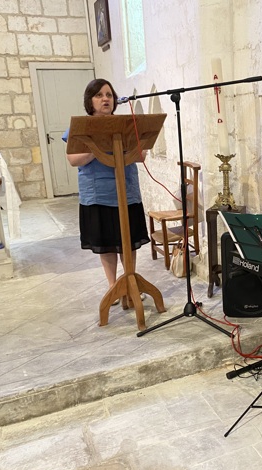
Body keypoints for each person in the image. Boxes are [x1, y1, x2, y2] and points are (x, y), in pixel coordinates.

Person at [62, 79, 149, 304]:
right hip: (98, 194)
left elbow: (140, 156)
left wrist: (130, 145)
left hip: (125, 191)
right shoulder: (80, 127)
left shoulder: (125, 124)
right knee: (108, 241)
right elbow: (73, 160)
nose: (105, 99)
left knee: (127, 240)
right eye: (99, 95)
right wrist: (97, 148)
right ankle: (113, 287)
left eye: (109, 95)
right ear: (90, 101)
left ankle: (129, 280)